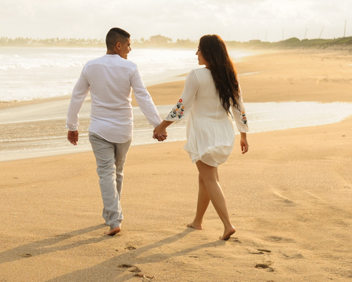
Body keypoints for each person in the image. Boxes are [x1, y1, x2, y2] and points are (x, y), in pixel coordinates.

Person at [66, 27, 165, 236]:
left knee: (106, 174)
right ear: (118, 45)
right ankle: (113, 216)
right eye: (128, 45)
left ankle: (113, 218)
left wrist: (72, 126)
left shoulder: (91, 66)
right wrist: (156, 125)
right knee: (116, 173)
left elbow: (77, 96)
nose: (130, 49)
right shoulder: (129, 67)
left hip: (99, 129)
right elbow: (143, 96)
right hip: (123, 129)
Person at [152, 34, 250, 240]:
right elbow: (239, 107)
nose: (196, 53)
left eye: (199, 49)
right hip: (224, 130)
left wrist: (162, 125)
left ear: (208, 52)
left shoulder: (197, 75)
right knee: (205, 178)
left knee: (210, 179)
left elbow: (182, 105)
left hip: (203, 131)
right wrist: (243, 134)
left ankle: (227, 224)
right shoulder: (230, 75)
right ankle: (198, 221)